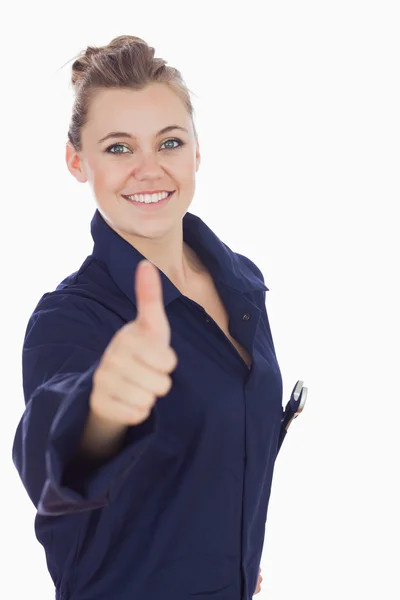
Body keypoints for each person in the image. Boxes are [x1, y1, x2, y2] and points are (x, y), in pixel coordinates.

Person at [12, 35, 281, 600]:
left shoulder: (243, 286)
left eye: (169, 142)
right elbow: (56, 469)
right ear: (76, 161)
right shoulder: (71, 319)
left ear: (197, 151)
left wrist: (232, 560)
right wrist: (103, 406)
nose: (149, 169)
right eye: (118, 148)